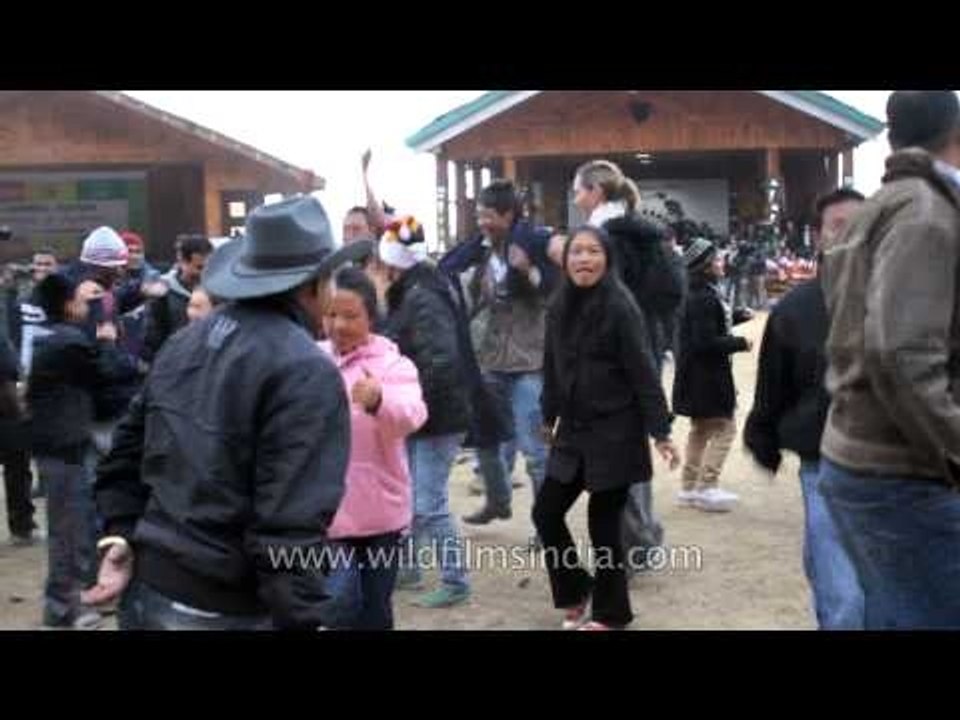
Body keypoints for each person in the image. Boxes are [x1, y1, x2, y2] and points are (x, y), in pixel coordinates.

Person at [82, 196, 366, 630]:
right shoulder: (306, 370)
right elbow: (290, 522)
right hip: (227, 608)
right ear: (315, 284)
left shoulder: (185, 343)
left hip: (148, 594)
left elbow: (123, 454)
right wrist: (304, 619)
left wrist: (120, 533)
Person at [818, 91, 960, 629]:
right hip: (899, 466)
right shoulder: (925, 214)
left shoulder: (878, 206)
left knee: (895, 610)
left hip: (862, 454)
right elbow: (901, 351)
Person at [533, 225, 680, 630]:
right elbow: (551, 368)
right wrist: (548, 416)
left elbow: (644, 372)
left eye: (593, 251)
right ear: (566, 262)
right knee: (545, 512)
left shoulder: (621, 305)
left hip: (616, 432)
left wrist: (661, 431)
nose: (584, 259)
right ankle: (576, 589)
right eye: (576, 252)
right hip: (573, 432)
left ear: (607, 259)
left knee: (604, 525)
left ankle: (612, 614)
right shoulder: (559, 305)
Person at [744, 187, 866, 630]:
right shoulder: (796, 308)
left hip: (904, 467)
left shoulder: (912, 296)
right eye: (838, 226)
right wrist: (764, 437)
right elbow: (773, 382)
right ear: (817, 237)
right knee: (844, 597)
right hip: (826, 463)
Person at [570, 160, 684, 566]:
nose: (575, 197)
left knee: (614, 455)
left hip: (613, 359)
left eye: (579, 190)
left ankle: (633, 545)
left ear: (596, 193)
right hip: (644, 350)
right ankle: (644, 537)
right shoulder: (644, 234)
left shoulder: (603, 239)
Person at [440, 180, 555, 528]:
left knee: (535, 451)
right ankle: (497, 500)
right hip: (490, 359)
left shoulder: (534, 244)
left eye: (489, 215)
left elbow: (552, 291)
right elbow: (446, 266)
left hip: (529, 361)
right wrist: (481, 241)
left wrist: (526, 270)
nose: (482, 221)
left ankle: (547, 524)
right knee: (485, 438)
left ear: (509, 215)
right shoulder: (484, 250)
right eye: (479, 215)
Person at [319, 266, 428, 629]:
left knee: (376, 609)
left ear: (371, 317)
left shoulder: (394, 364)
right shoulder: (311, 361)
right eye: (331, 314)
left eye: (351, 316)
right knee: (339, 601)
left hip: (382, 515)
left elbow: (413, 415)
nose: (339, 325)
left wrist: (379, 400)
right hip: (327, 514)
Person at [27, 273, 137, 629]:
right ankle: (63, 609)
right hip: (63, 450)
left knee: (71, 528)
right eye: (79, 298)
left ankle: (65, 604)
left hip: (59, 447)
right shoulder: (68, 343)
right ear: (66, 304)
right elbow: (113, 371)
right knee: (68, 532)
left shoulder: (58, 338)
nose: (84, 305)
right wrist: (107, 340)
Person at [378, 215, 472, 608]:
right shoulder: (420, 288)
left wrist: (414, 405)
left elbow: (440, 359)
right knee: (411, 496)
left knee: (428, 503)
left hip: (436, 415)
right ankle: (409, 567)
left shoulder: (421, 296)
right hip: (425, 412)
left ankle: (455, 579)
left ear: (393, 263)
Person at [673, 238, 753, 512]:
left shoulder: (698, 293)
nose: (722, 263)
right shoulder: (704, 297)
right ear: (705, 266)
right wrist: (741, 343)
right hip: (707, 376)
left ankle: (688, 487)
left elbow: (708, 328)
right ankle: (707, 486)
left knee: (700, 430)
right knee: (725, 428)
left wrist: (738, 317)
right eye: (717, 260)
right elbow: (705, 342)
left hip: (695, 375)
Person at [142, 234, 214, 362]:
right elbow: (152, 339)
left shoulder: (217, 291)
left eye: (209, 267)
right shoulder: (162, 292)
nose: (204, 273)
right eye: (199, 267)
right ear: (182, 261)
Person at [0, 334, 34, 545]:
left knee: (17, 471)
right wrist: (20, 413)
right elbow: (8, 382)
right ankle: (22, 526)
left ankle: (22, 525)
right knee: (17, 470)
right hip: (6, 413)